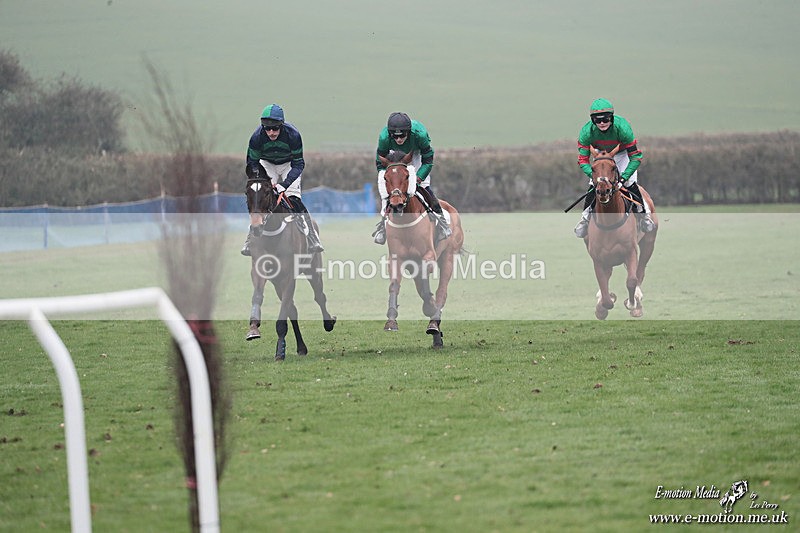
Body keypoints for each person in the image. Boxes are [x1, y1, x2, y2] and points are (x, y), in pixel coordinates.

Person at [241, 103, 324, 255]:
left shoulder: (293, 135)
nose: (271, 132)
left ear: (282, 125)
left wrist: (284, 185)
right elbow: (252, 163)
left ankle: (312, 237)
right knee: (259, 197)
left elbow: (299, 164)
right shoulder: (256, 138)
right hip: (267, 164)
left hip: (289, 164)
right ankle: (249, 239)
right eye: (267, 129)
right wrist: (262, 179)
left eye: (275, 128)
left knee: (294, 199)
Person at [575, 98, 655, 238]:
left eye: (605, 119)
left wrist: (623, 178)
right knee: (593, 186)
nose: (602, 123)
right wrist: (594, 176)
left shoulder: (622, 128)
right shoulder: (586, 132)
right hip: (600, 156)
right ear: (592, 120)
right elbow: (583, 160)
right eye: (597, 120)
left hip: (622, 154)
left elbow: (636, 157)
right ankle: (585, 219)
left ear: (611, 117)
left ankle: (645, 216)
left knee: (630, 183)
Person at [372, 112, 451, 245]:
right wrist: (389, 179)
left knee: (423, 186)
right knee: (387, 190)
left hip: (416, 154)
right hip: (393, 157)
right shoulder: (384, 137)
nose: (399, 139)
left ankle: (442, 221)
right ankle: (382, 227)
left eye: (402, 135)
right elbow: (380, 163)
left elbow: (428, 161)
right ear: (390, 134)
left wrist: (418, 179)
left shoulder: (420, 134)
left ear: (408, 132)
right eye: (395, 136)